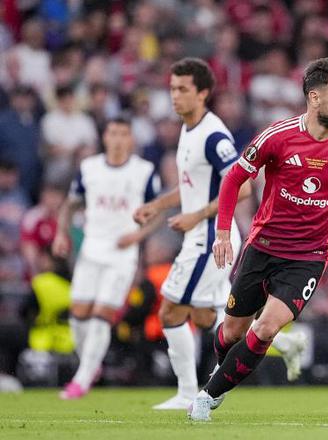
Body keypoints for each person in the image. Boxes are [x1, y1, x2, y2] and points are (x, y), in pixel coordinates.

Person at [189, 57, 328, 421]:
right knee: (231, 333)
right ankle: (238, 369)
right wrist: (223, 233)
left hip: (309, 256)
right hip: (262, 247)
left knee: (265, 328)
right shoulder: (277, 136)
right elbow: (234, 179)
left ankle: (207, 397)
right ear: (314, 97)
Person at [133, 58, 306, 411]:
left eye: (183, 89)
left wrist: (196, 216)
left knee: (170, 312)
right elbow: (192, 186)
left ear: (203, 93)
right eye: (172, 89)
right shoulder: (188, 130)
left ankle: (187, 393)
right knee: (206, 318)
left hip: (211, 238)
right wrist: (158, 205)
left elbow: (241, 187)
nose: (175, 96)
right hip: (198, 234)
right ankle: (286, 344)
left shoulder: (213, 136)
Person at [53, 117, 161, 399]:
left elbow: (157, 211)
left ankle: (82, 378)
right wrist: (61, 234)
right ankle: (91, 365)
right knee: (78, 317)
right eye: (113, 133)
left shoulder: (144, 171)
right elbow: (70, 204)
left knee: (102, 315)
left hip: (122, 255)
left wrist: (137, 236)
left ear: (131, 139)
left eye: (123, 134)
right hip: (91, 250)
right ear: (105, 137)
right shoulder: (89, 168)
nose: (117, 139)